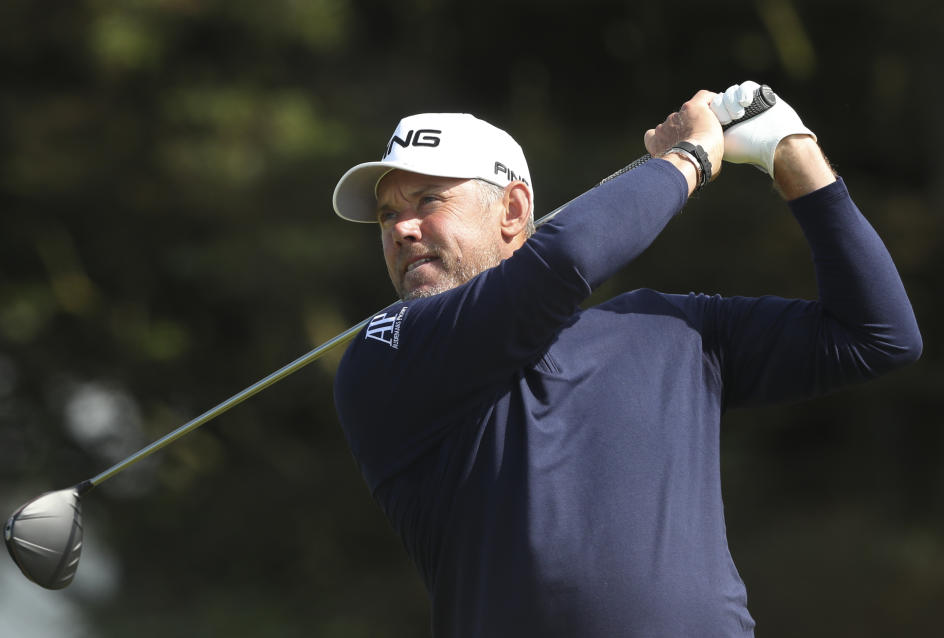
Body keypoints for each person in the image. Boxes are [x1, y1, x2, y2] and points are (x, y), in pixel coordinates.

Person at [329, 82, 922, 637]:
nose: (401, 229)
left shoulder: (668, 329)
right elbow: (565, 261)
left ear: (512, 212)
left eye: (428, 199)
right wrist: (690, 157)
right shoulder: (386, 352)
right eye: (387, 214)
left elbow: (877, 334)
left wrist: (794, 158)